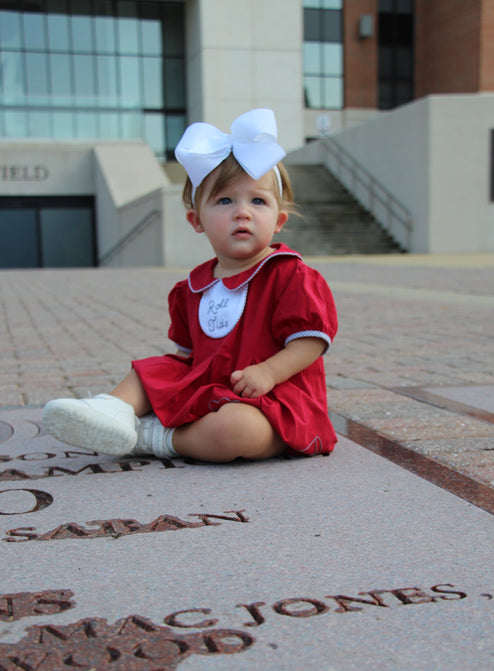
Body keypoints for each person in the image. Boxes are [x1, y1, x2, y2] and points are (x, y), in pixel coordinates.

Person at [42, 108, 338, 463]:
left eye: (258, 201)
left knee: (236, 429)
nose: (242, 212)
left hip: (275, 401)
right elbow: (187, 356)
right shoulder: (192, 288)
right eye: (225, 200)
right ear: (197, 221)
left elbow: (310, 341)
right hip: (211, 388)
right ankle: (111, 409)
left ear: (279, 220)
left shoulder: (290, 275)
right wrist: (164, 384)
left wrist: (270, 371)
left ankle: (155, 437)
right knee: (151, 370)